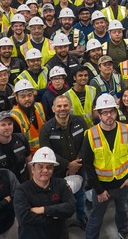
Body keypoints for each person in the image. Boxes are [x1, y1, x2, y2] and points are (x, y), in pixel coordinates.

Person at [82, 94, 128, 239]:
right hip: (102, 187)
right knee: (96, 217)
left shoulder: (126, 129)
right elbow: (88, 166)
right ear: (99, 115)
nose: (109, 116)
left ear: (116, 112)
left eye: (112, 111)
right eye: (105, 112)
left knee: (123, 210)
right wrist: (99, 190)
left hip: (123, 184)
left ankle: (123, 231)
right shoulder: (91, 134)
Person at [38, 95, 88, 229]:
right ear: (53, 108)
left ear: (70, 106)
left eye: (65, 105)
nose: (62, 108)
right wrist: (68, 165)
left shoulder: (80, 121)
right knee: (57, 198)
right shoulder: (46, 129)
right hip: (57, 172)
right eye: (59, 106)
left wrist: (77, 163)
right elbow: (47, 151)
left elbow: (86, 143)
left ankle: (82, 216)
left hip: (80, 167)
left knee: (80, 194)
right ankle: (60, 223)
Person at [13, 147, 76, 239]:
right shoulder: (22, 190)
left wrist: (43, 210)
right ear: (32, 169)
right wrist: (56, 216)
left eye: (49, 167)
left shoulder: (61, 184)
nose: (45, 170)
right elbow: (24, 218)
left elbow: (71, 207)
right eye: (40, 167)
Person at [0, 111, 30, 183]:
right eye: (3, 125)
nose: (7, 127)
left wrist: (31, 181)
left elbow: (28, 161)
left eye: (9, 124)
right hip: (4, 185)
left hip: (24, 182)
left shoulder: (21, 139)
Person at [10, 79, 47, 155]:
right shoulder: (14, 116)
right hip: (28, 155)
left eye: (29, 95)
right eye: (23, 96)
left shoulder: (39, 106)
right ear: (16, 98)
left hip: (45, 150)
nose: (27, 99)